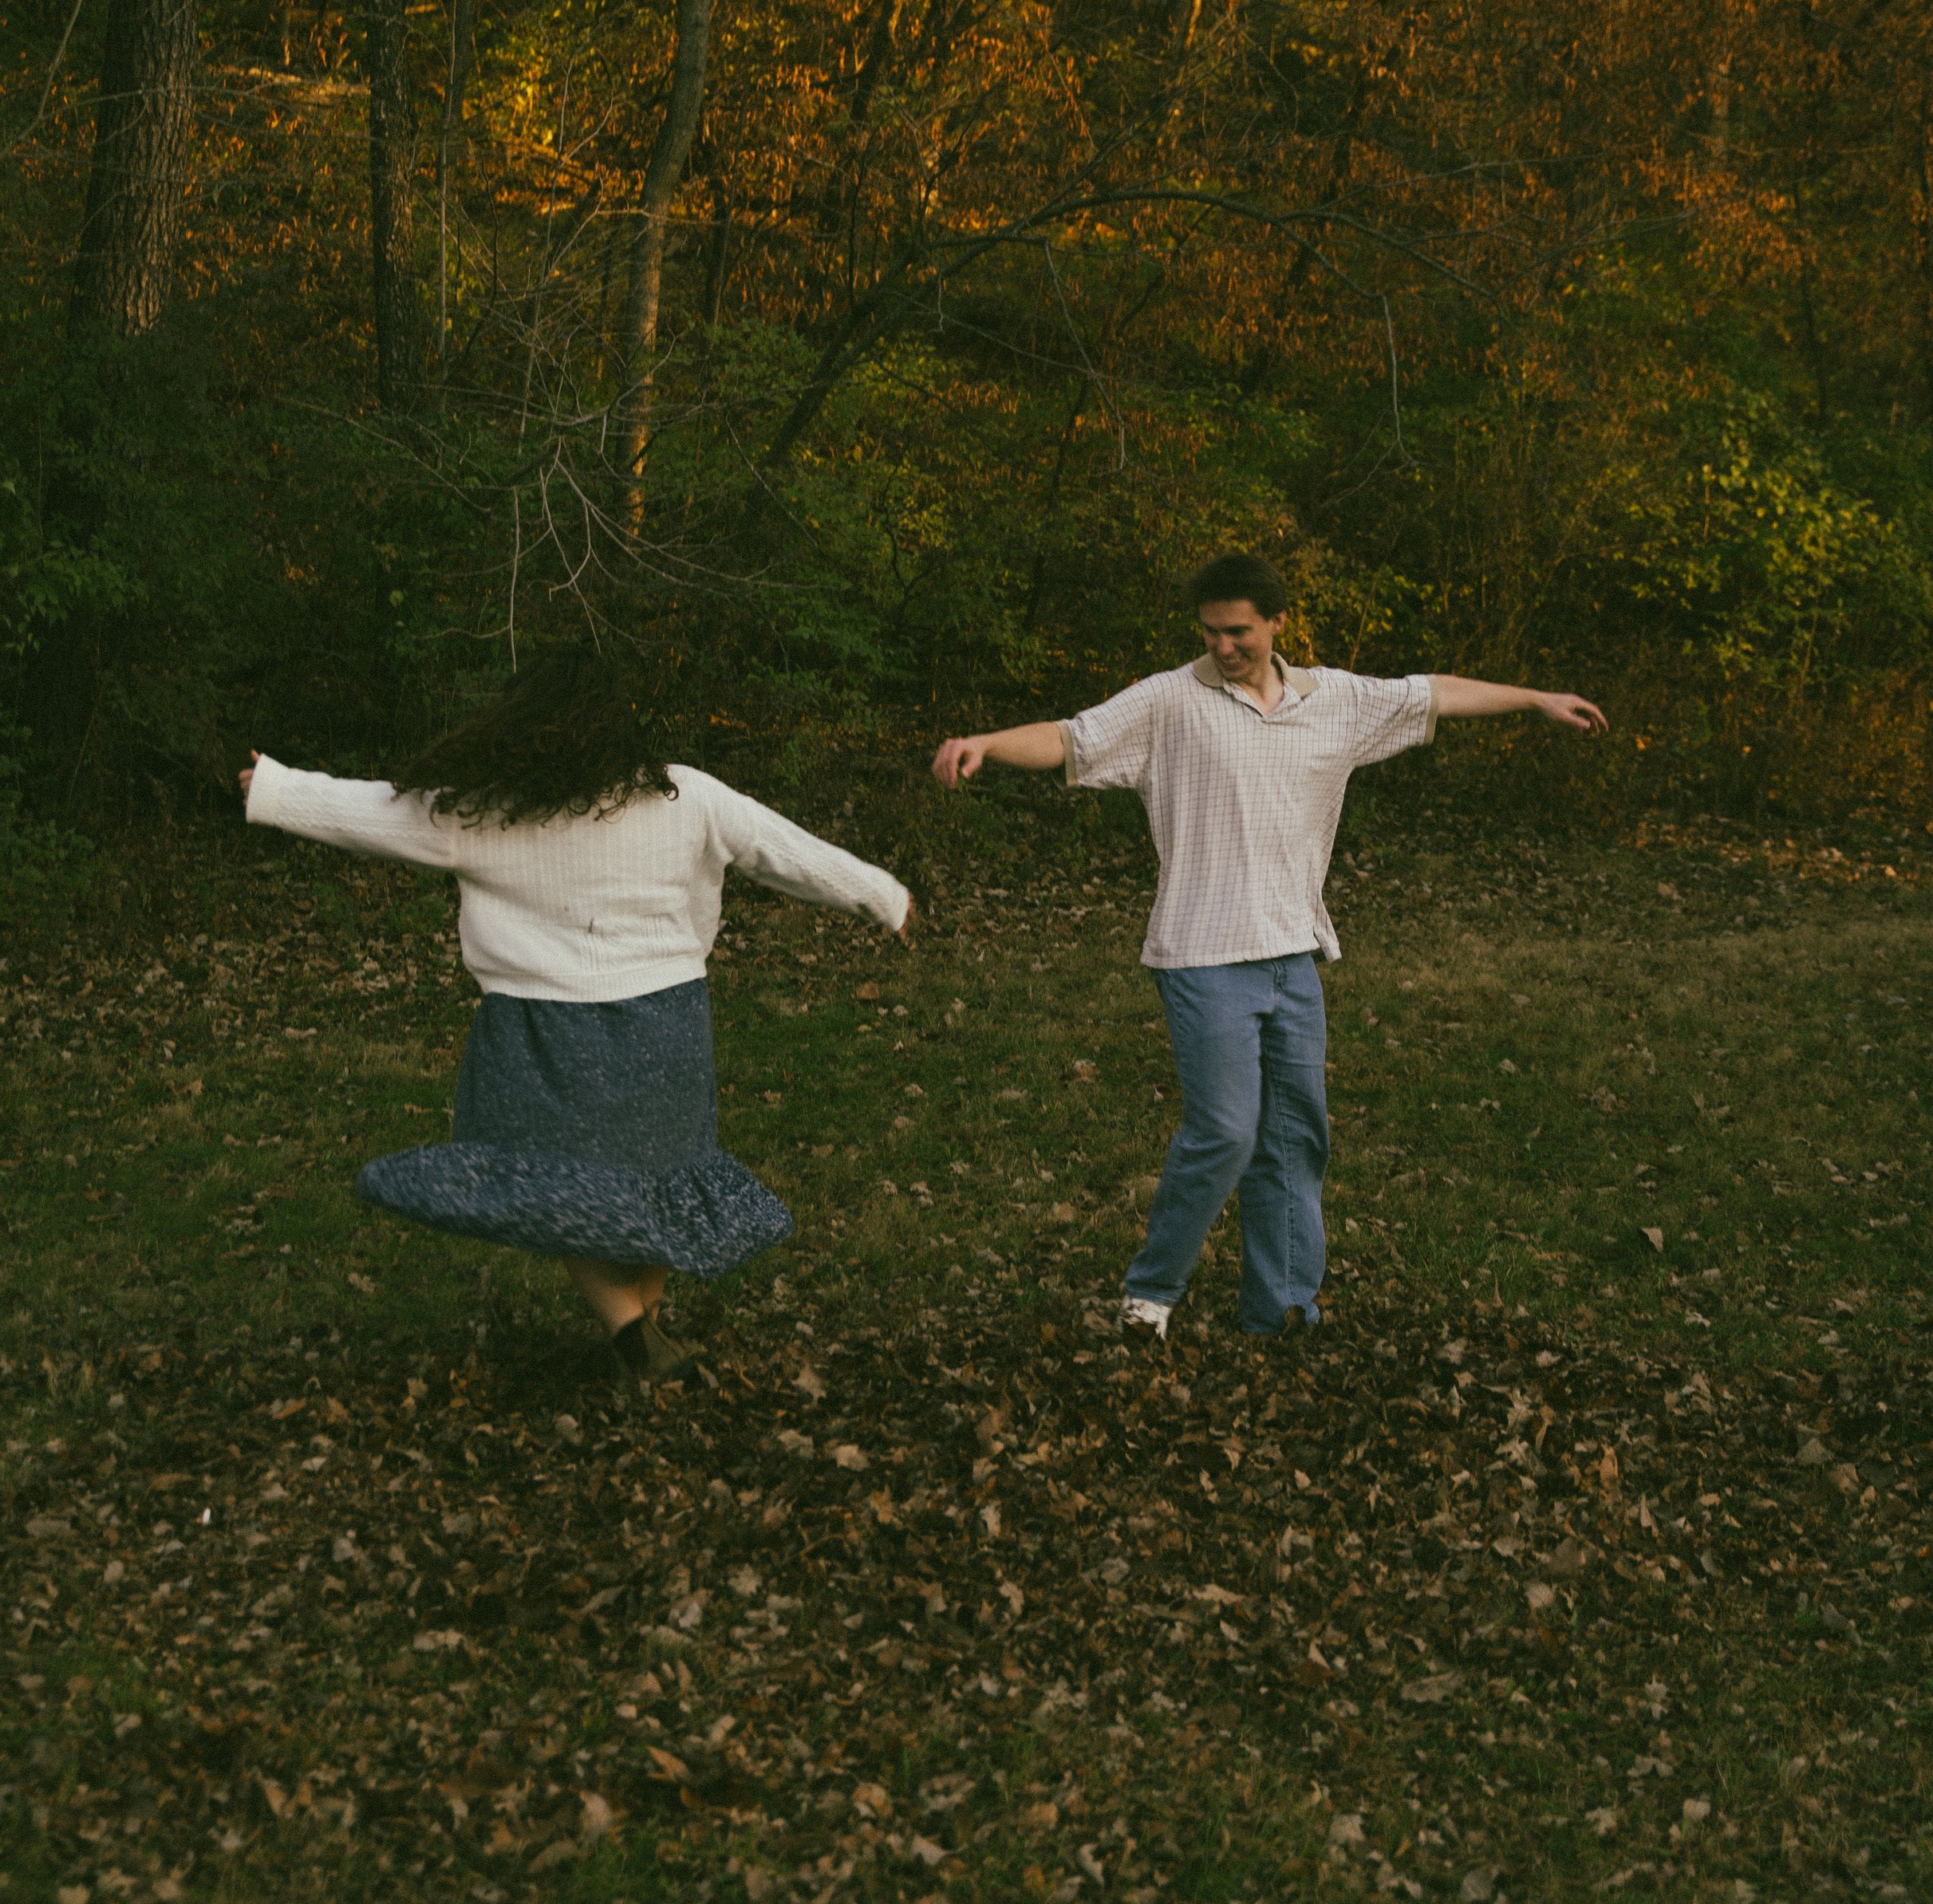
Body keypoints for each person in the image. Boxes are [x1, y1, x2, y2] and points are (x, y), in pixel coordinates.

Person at [931, 550, 1604, 1342]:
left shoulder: (1337, 700)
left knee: (1293, 1138)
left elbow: (1434, 692)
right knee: (1224, 1131)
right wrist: (985, 743)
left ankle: (1281, 1309)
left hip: (1293, 954)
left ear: (1278, 622)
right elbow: (1070, 739)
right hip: (1200, 952)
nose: (1223, 646)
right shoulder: (1168, 702)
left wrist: (1533, 699)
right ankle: (1149, 1296)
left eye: (1239, 631)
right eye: (1211, 632)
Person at [239, 648, 911, 1387]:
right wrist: (885, 897)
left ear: (521, 721)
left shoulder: (483, 810)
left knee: (552, 1187)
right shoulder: (689, 798)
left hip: (542, 1035)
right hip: (668, 1028)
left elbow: (365, 812)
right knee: (657, 1190)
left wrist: (271, 787)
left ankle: (630, 1333)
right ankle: (645, 1340)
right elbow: (788, 852)